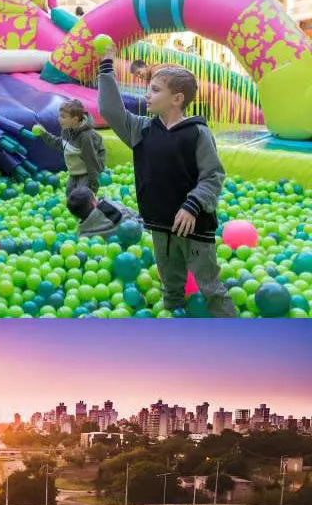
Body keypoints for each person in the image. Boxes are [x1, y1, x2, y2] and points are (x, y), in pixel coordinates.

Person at [96, 39, 236, 317]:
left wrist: (192, 206)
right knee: (171, 285)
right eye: (149, 89)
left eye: (155, 90)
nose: (147, 95)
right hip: (161, 223)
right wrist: (106, 65)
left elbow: (213, 175)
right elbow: (111, 111)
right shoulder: (141, 129)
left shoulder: (197, 133)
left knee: (210, 286)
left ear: (177, 98)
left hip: (193, 225)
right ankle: (174, 326)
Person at [32, 99, 106, 197]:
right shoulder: (67, 131)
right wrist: (44, 134)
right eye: (59, 116)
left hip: (87, 173)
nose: (59, 119)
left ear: (75, 120)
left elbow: (91, 160)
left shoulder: (85, 137)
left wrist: (93, 182)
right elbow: (60, 144)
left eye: (63, 117)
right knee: (70, 194)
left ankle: (91, 206)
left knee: (82, 196)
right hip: (74, 172)